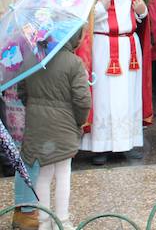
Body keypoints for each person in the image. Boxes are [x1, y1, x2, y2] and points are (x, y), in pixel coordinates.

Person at [76, 0, 153, 166]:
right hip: (102, 44)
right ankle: (100, 146)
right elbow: (82, 18)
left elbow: (139, 16)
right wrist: (100, 9)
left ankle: (125, 143)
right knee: (102, 95)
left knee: (128, 94)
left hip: (128, 44)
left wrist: (141, 11)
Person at [1, 0, 48, 230]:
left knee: (27, 135)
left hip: (35, 57)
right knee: (18, 134)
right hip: (8, 58)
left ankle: (26, 207)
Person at [20, 27, 91, 230]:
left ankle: (43, 221)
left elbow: (21, 91)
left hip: (37, 125)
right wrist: (78, 122)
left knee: (42, 174)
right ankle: (63, 221)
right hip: (64, 125)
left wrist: (34, 110)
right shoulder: (73, 62)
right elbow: (82, 101)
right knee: (63, 173)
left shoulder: (32, 60)